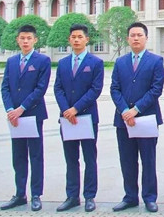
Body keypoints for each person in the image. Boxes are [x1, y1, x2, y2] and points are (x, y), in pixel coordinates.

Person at [110, 22, 164, 213]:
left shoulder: (155, 61)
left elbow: (156, 89)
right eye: (132, 35)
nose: (135, 38)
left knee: (148, 160)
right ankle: (130, 197)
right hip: (123, 120)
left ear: (146, 38)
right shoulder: (120, 62)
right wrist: (125, 110)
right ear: (128, 38)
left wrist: (136, 109)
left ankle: (150, 197)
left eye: (139, 35)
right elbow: (114, 89)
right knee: (127, 160)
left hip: (146, 118)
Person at [53, 24, 104, 212]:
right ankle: (72, 196)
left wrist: (75, 108)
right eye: (73, 37)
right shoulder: (63, 63)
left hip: (87, 118)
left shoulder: (95, 63)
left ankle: (90, 196)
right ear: (69, 40)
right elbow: (58, 88)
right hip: (67, 119)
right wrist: (66, 110)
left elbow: (95, 90)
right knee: (71, 159)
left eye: (80, 37)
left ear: (86, 39)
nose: (76, 40)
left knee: (89, 159)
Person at [0, 24, 51, 212]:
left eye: (29, 38)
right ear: (18, 40)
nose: (25, 41)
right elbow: (5, 87)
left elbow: (40, 89)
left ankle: (36, 194)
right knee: (18, 155)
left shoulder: (43, 61)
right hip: (15, 117)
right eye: (22, 38)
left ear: (35, 40)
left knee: (36, 155)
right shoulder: (11, 61)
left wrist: (21, 109)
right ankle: (20, 194)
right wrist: (10, 109)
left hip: (33, 114)